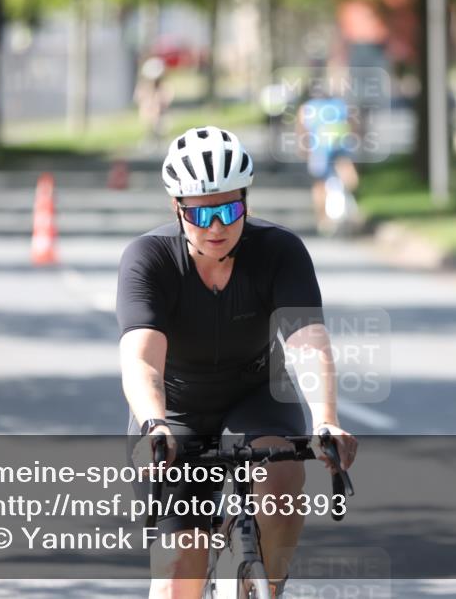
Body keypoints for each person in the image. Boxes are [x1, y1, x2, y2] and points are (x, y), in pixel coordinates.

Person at [117, 125, 357, 599]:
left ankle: (264, 584)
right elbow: (142, 359)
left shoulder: (279, 251)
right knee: (176, 574)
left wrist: (327, 419)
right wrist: (153, 423)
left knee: (285, 474)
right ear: (176, 208)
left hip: (256, 395)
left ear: (246, 200)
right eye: (201, 213)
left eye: (230, 210)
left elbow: (307, 342)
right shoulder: (148, 259)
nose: (217, 227)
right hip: (176, 409)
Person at [296, 88, 360, 234]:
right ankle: (351, 207)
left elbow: (302, 131)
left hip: (319, 150)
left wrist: (304, 150)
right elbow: (352, 124)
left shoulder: (307, 108)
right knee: (348, 176)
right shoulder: (340, 105)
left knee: (320, 184)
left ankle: (323, 220)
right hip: (341, 147)